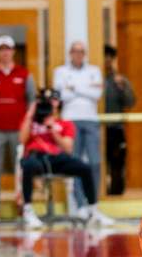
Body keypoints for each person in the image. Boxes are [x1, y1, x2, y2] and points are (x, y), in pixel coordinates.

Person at [19, 88, 114, 229]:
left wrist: (53, 130)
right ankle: (27, 210)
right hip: (36, 156)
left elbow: (68, 148)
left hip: (57, 157)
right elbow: (22, 139)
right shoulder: (32, 121)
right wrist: (30, 114)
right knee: (28, 165)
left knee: (85, 168)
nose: (51, 103)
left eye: (54, 101)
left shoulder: (65, 124)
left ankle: (93, 209)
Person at [0, 35, 36, 222]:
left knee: (21, 170)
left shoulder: (24, 74)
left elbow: (31, 101)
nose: (5, 52)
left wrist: (27, 125)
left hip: (19, 131)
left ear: (13, 51)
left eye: (8, 49)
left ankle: (23, 206)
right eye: (1, 49)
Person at [53, 41, 104, 210]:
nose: (78, 54)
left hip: (90, 119)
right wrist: (86, 88)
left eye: (81, 51)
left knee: (95, 161)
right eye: (75, 51)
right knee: (75, 162)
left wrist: (74, 87)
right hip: (70, 119)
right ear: (70, 53)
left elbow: (97, 94)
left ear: (85, 54)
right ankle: (80, 204)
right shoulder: (61, 72)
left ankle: (93, 203)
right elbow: (62, 96)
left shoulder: (94, 71)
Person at [103, 44, 136, 195]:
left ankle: (116, 194)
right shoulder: (94, 80)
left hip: (115, 128)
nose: (106, 61)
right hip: (99, 129)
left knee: (117, 164)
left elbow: (131, 102)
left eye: (109, 58)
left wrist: (122, 88)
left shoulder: (119, 80)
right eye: (104, 57)